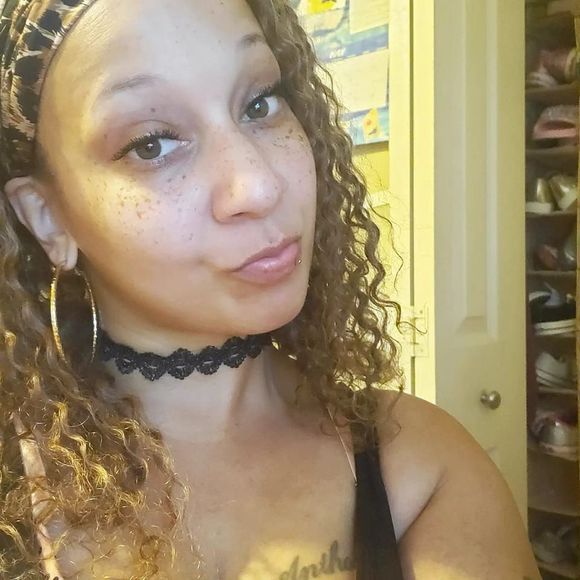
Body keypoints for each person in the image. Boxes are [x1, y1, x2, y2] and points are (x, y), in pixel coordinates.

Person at [0, 0, 540, 578]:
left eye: (259, 103)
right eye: (152, 143)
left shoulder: (418, 467)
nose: (259, 185)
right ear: (47, 219)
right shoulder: (16, 480)